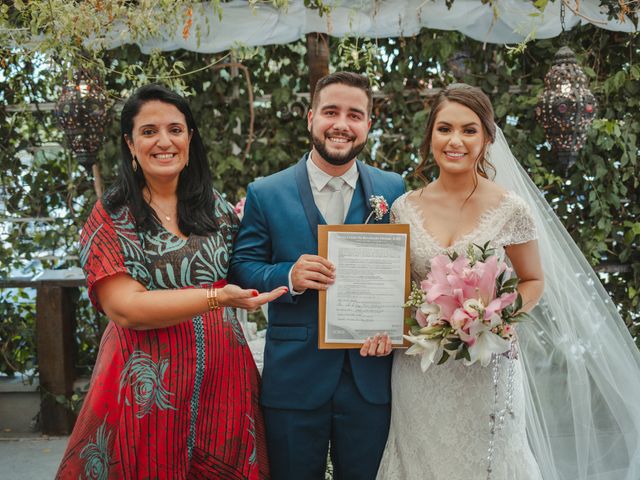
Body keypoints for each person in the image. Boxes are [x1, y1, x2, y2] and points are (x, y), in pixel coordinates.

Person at [374, 83, 640, 480]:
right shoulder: (402, 208)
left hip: (488, 365)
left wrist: (493, 318)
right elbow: (401, 292)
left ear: (486, 139)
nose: (455, 141)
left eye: (469, 130)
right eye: (445, 128)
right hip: (420, 371)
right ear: (430, 134)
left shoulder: (511, 208)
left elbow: (533, 280)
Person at [56, 84, 287, 480]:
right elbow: (127, 309)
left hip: (224, 385)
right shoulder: (112, 215)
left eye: (175, 130)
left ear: (190, 138)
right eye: (149, 132)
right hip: (145, 389)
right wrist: (215, 297)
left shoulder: (216, 208)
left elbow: (249, 267)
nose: (164, 141)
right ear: (130, 143)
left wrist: (292, 272)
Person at [229, 71, 405, 479]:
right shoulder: (266, 192)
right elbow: (242, 267)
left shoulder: (393, 189)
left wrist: (396, 327)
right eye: (331, 112)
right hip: (294, 377)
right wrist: (288, 275)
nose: (342, 124)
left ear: (368, 125)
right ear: (311, 118)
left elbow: (406, 275)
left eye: (354, 115)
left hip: (370, 377)